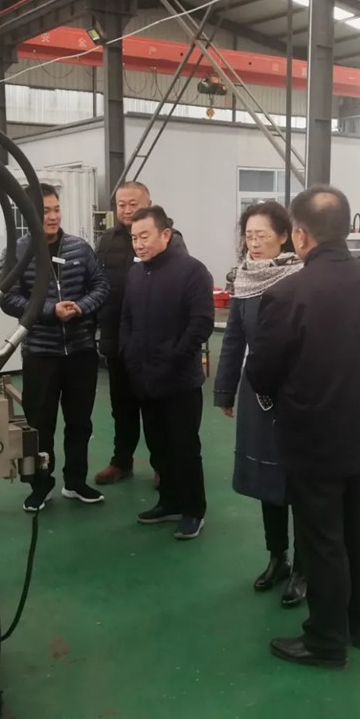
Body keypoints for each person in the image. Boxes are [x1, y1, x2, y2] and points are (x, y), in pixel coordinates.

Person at [246, 185, 360, 668]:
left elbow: (261, 371)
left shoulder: (287, 293)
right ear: (348, 228)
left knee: (323, 540)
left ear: (299, 235)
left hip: (314, 441)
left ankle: (326, 641)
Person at [214, 201, 306, 609]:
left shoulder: (300, 278)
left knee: (299, 481)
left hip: (295, 394)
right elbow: (234, 338)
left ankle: (304, 567)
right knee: (269, 480)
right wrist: (225, 391)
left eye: (261, 235)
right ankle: (277, 557)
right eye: (248, 235)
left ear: (283, 236)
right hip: (256, 393)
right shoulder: (245, 278)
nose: (253, 243)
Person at [1, 183, 110, 512]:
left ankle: (75, 482)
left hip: (80, 351)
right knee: (40, 424)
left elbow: (101, 285)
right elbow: (8, 297)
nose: (52, 216)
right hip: (40, 353)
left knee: (80, 422)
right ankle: (40, 485)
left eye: (56, 209)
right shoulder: (17, 252)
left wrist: (81, 307)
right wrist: (51, 310)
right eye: (45, 211)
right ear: (29, 214)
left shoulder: (79, 248)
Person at [119, 206, 214, 540]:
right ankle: (170, 502)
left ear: (165, 234)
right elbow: (127, 319)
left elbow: (200, 324)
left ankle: (193, 510)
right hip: (144, 378)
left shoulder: (192, 272)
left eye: (144, 236)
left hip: (179, 380)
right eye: (134, 238)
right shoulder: (135, 274)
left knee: (184, 447)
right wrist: (129, 354)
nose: (139, 244)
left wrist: (172, 356)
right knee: (158, 445)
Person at [94, 181, 186, 486]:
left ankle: (163, 465)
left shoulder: (171, 240)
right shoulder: (106, 240)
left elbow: (180, 291)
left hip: (154, 342)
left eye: (133, 204)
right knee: (122, 407)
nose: (126, 209)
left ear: (148, 203)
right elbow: (97, 284)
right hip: (117, 339)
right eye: (121, 204)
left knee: (156, 409)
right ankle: (121, 461)